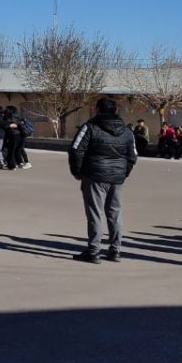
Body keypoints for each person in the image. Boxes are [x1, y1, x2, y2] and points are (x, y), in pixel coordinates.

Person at [68, 97, 137, 264]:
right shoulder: (127, 131)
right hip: (117, 177)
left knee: (95, 213)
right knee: (115, 213)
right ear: (115, 111)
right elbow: (132, 156)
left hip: (95, 175)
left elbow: (76, 150)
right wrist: (123, 173)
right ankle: (115, 250)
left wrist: (77, 172)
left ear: (97, 109)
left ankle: (94, 251)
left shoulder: (90, 127)